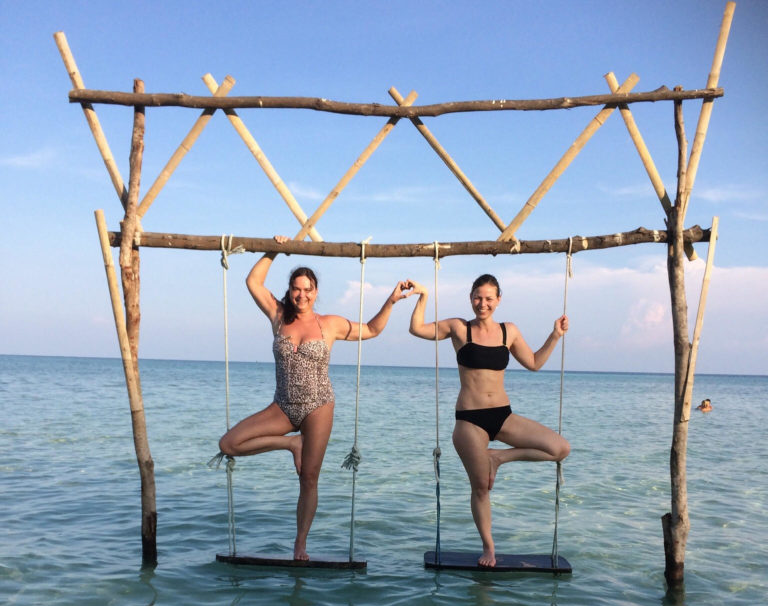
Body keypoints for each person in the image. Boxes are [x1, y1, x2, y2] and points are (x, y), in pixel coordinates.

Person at [218, 237, 413, 560]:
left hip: (318, 406)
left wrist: (391, 301)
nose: (302, 295)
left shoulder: (329, 324)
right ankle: (292, 444)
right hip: (282, 405)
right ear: (290, 290)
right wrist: (275, 248)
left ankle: (300, 543)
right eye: (297, 288)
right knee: (228, 444)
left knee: (308, 478)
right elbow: (253, 281)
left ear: (316, 291)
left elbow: (372, 330)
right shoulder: (278, 316)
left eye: (308, 289)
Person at [407, 272, 570, 567]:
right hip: (469, 420)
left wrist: (555, 335)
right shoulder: (458, 328)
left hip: (503, 415)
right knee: (481, 487)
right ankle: (489, 548)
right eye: (478, 298)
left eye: (489, 298)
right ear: (471, 298)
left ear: (498, 300)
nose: (483, 304)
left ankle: (499, 459)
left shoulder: (509, 331)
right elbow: (416, 328)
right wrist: (423, 295)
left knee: (560, 449)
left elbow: (534, 363)